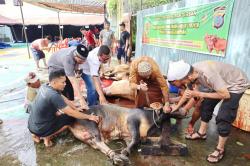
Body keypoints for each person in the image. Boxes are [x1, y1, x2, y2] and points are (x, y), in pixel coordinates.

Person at [167, 60, 250, 163]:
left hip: (236, 84)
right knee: (206, 105)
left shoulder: (208, 75)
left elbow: (225, 95)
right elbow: (189, 92)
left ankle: (220, 149)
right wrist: (177, 107)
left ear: (187, 78)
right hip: (219, 83)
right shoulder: (190, 73)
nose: (180, 87)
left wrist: (200, 94)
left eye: (179, 84)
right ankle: (202, 133)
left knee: (224, 116)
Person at [28, 69, 100, 147]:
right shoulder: (53, 95)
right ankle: (47, 137)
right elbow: (71, 113)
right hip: (40, 128)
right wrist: (89, 117)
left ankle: (35, 135)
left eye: (65, 81)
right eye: (63, 82)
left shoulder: (46, 86)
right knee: (70, 119)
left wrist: (75, 108)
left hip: (31, 125)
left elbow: (63, 98)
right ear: (54, 82)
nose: (65, 84)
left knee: (63, 113)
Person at [48, 44, 89, 110]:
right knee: (61, 90)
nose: (83, 62)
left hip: (63, 65)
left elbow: (76, 63)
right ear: (75, 56)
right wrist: (81, 99)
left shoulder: (78, 49)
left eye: (84, 60)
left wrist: (76, 68)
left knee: (70, 89)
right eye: (81, 61)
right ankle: (63, 109)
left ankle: (72, 105)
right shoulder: (68, 60)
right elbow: (73, 81)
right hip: (55, 67)